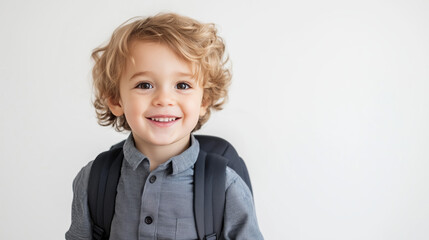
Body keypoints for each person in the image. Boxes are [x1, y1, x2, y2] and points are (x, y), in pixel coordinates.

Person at [66, 12, 263, 240]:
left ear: (204, 100)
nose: (164, 99)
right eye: (145, 84)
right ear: (115, 100)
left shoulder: (226, 187)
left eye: (182, 84)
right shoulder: (93, 179)